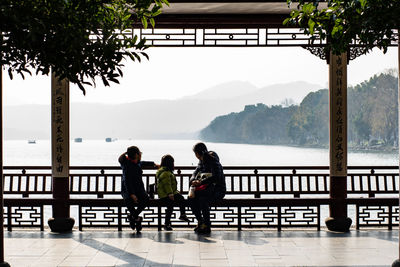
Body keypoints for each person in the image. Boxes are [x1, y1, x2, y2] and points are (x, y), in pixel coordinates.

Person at [189, 142, 226, 234]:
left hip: (217, 190)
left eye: (195, 153)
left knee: (203, 200)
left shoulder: (213, 161)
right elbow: (194, 173)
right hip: (205, 189)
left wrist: (201, 182)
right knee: (190, 198)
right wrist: (193, 180)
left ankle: (207, 225)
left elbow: (217, 177)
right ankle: (201, 221)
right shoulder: (201, 161)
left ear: (198, 153)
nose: (195, 155)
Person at [119, 146, 157, 233]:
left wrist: (154, 164)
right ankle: (137, 219)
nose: (141, 155)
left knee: (146, 199)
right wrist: (132, 194)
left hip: (139, 189)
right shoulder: (126, 165)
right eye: (139, 153)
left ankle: (133, 217)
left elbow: (143, 163)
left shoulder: (137, 162)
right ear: (136, 154)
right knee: (128, 200)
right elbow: (127, 181)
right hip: (128, 190)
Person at [156, 154, 190, 231]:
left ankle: (182, 215)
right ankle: (167, 223)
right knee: (171, 205)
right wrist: (170, 194)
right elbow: (167, 185)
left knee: (180, 198)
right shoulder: (166, 173)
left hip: (166, 194)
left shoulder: (166, 171)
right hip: (166, 195)